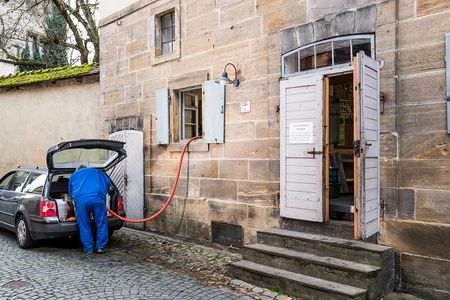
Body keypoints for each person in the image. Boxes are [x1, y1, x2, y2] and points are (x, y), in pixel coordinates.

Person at [68, 165, 110, 254]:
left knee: (84, 225)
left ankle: (88, 249)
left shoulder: (74, 175)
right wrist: (101, 194)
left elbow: (70, 192)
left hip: (81, 201)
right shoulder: (98, 172)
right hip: (97, 199)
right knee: (101, 223)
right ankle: (100, 247)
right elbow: (107, 184)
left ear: (78, 170)